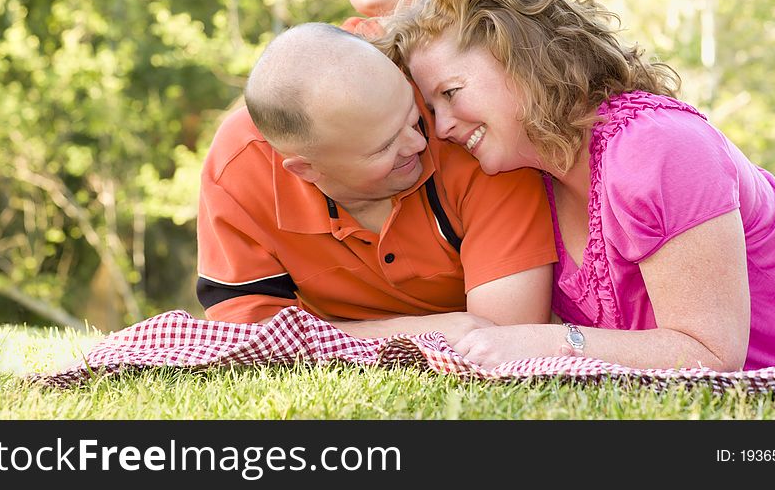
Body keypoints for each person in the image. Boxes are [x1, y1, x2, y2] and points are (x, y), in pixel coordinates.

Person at [380, 0, 775, 371]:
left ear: (519, 59)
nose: (441, 129)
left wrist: (546, 342)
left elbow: (710, 353)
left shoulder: (657, 147)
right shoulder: (529, 180)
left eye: (451, 94)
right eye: (431, 110)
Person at [196, 22, 557, 342]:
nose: (419, 141)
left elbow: (503, 336)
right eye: (385, 146)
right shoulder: (239, 167)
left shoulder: (471, 137)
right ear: (307, 170)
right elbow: (246, 338)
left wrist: (319, 334)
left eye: (412, 114)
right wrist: (420, 332)